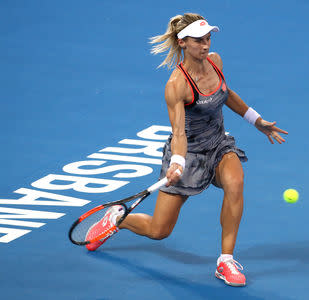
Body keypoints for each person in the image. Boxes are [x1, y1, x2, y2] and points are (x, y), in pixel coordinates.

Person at [85, 13, 288, 287]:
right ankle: (118, 219)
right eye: (198, 41)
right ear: (183, 42)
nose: (205, 46)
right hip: (187, 155)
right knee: (159, 231)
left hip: (218, 145)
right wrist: (178, 162)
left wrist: (257, 121)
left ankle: (225, 260)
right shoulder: (176, 85)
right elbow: (178, 133)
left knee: (236, 181)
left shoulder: (215, 62)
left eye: (208, 39)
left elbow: (227, 93)